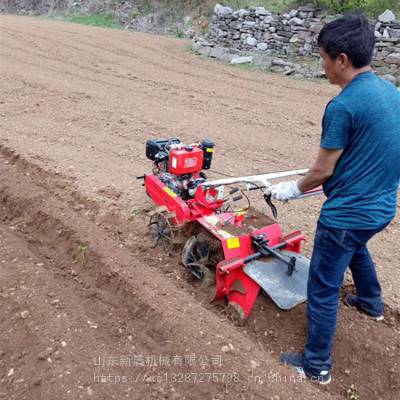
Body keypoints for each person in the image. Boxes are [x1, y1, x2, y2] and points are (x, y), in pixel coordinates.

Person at [268, 12, 400, 385]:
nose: (322, 65)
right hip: (381, 208)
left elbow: (322, 171)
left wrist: (291, 189)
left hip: (345, 215)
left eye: (324, 57)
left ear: (341, 59)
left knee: (323, 288)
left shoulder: (342, 107)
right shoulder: (392, 92)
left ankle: (317, 367)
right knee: (356, 246)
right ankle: (371, 304)